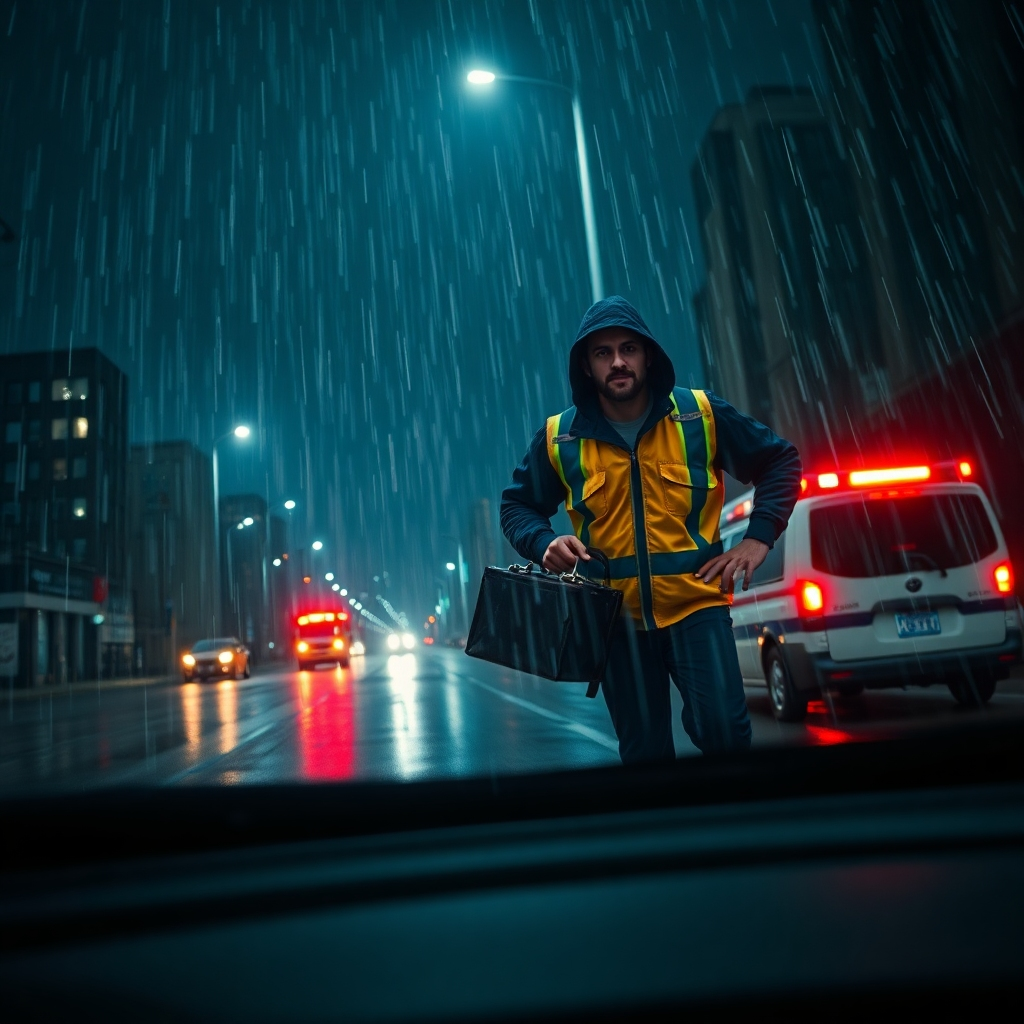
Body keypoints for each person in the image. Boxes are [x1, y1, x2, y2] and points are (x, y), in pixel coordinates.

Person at [500, 296, 802, 763]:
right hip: (615, 622)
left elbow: (780, 461)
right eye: (603, 353)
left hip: (696, 607)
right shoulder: (561, 437)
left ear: (647, 355)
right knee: (645, 755)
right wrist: (544, 543)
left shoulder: (699, 415)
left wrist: (759, 538)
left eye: (628, 349)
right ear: (586, 366)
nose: (617, 362)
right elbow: (517, 505)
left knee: (725, 734)